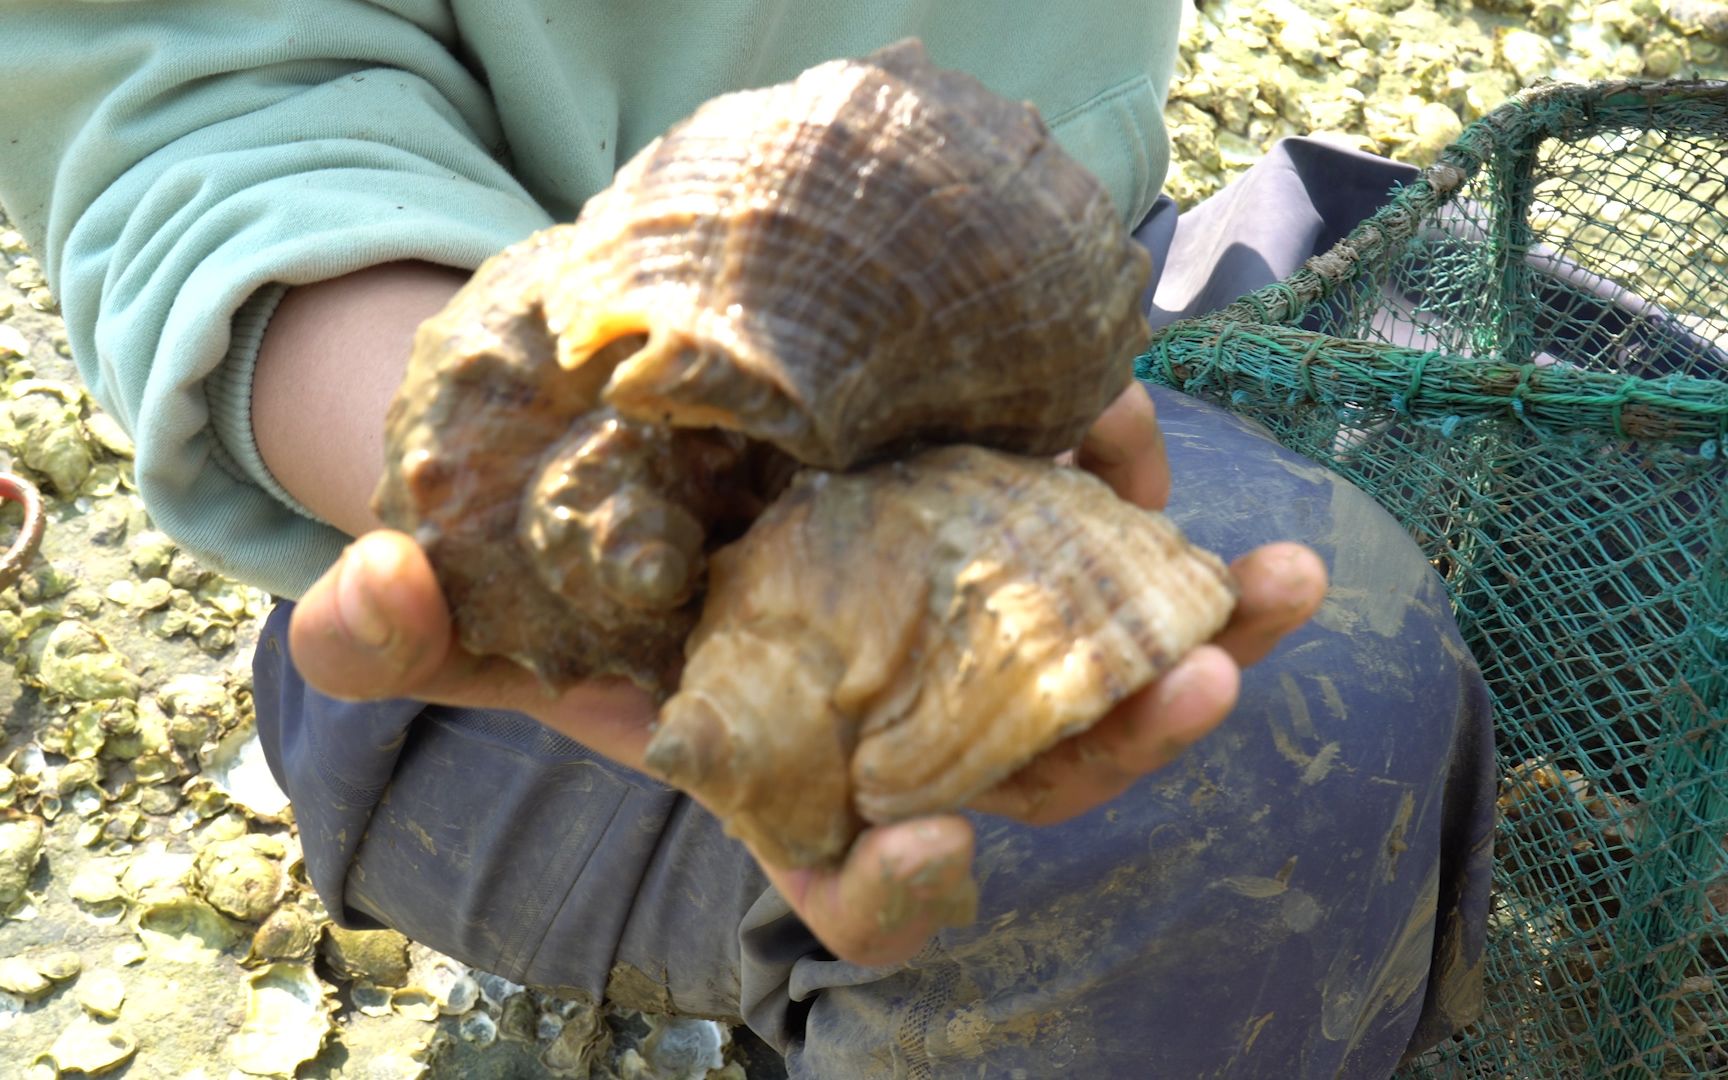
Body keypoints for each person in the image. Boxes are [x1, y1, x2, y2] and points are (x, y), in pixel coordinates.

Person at [0, 2, 1494, 1074]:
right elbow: (200, 121)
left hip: (1060, 287)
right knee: (1257, 750)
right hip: (446, 548)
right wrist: (517, 462)